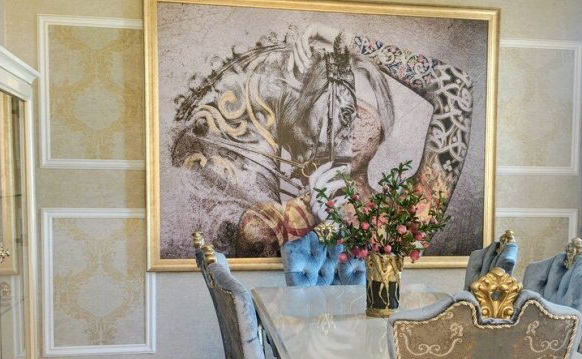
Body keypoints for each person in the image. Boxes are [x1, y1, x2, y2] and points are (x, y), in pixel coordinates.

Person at [166, 22, 473, 259]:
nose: (344, 124)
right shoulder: (268, 222)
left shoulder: (402, 216)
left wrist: (345, 40)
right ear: (305, 125)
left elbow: (456, 87)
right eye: (330, 105)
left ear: (383, 127)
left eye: (360, 110)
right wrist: (321, 220)